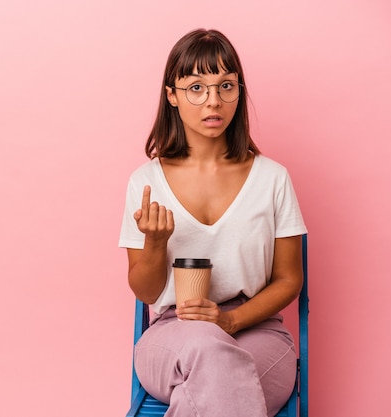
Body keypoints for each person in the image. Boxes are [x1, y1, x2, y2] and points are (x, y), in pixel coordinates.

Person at [118, 29, 307, 417]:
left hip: (258, 331)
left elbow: (290, 278)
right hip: (174, 332)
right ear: (172, 95)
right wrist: (155, 243)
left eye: (226, 86)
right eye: (196, 87)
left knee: (207, 386)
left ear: (240, 90)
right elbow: (146, 292)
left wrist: (231, 319)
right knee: (207, 351)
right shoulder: (146, 182)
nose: (213, 101)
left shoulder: (272, 178)